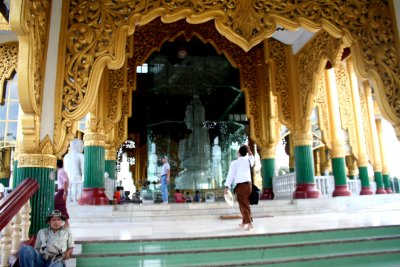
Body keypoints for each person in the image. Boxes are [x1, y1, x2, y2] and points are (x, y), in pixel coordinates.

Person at [224, 144, 255, 231]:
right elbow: (252, 156)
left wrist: (227, 186)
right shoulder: (249, 160)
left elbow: (231, 175)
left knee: (243, 206)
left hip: (241, 187)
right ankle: (243, 223)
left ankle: (249, 223)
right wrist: (248, 149)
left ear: (238, 152)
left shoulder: (235, 163)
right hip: (249, 186)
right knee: (246, 204)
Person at [55, 159, 70, 228]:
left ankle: (62, 222)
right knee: (62, 206)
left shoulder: (60, 172)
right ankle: (66, 223)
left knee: (55, 203)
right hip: (62, 191)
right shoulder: (62, 171)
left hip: (62, 191)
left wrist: (65, 192)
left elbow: (65, 182)